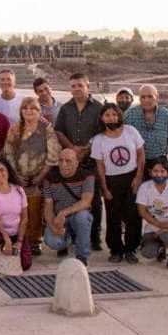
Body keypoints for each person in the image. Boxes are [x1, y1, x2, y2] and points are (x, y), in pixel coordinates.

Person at [2, 97, 61, 256]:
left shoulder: (46, 129)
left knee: (35, 210)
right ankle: (20, 239)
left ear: (39, 111)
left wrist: (40, 176)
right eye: (25, 108)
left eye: (33, 108)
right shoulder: (15, 129)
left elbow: (53, 155)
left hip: (40, 177)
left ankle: (35, 241)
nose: (29, 111)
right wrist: (16, 176)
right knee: (19, 211)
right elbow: (8, 153)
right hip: (18, 177)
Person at [54, 73, 105, 253]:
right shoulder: (65, 109)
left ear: (87, 86)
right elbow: (58, 131)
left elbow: (102, 132)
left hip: (91, 161)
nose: (76, 89)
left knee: (94, 200)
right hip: (69, 161)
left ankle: (94, 237)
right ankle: (66, 236)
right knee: (67, 198)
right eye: (73, 86)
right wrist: (72, 149)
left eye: (80, 85)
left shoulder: (99, 108)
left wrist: (86, 149)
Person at [91, 103, 146, 264]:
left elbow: (141, 155)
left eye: (114, 114)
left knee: (133, 215)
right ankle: (116, 249)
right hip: (112, 180)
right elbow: (100, 165)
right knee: (113, 216)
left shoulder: (131, 131)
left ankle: (131, 249)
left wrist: (138, 177)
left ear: (119, 116)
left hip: (131, 177)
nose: (111, 117)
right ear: (102, 118)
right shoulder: (99, 139)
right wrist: (104, 188)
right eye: (107, 115)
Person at [41, 149, 96, 266]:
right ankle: (67, 241)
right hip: (60, 220)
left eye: (68, 161)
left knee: (82, 217)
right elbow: (48, 206)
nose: (63, 164)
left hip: (76, 215)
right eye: (60, 160)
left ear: (77, 163)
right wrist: (52, 225)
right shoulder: (50, 178)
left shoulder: (87, 176)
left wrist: (63, 213)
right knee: (52, 242)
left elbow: (86, 202)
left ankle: (82, 256)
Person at [124, 84, 168, 164]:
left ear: (157, 97)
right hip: (135, 163)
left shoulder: (166, 115)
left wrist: (162, 157)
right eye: (143, 97)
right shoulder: (129, 114)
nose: (146, 100)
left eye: (150, 96)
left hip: (159, 165)